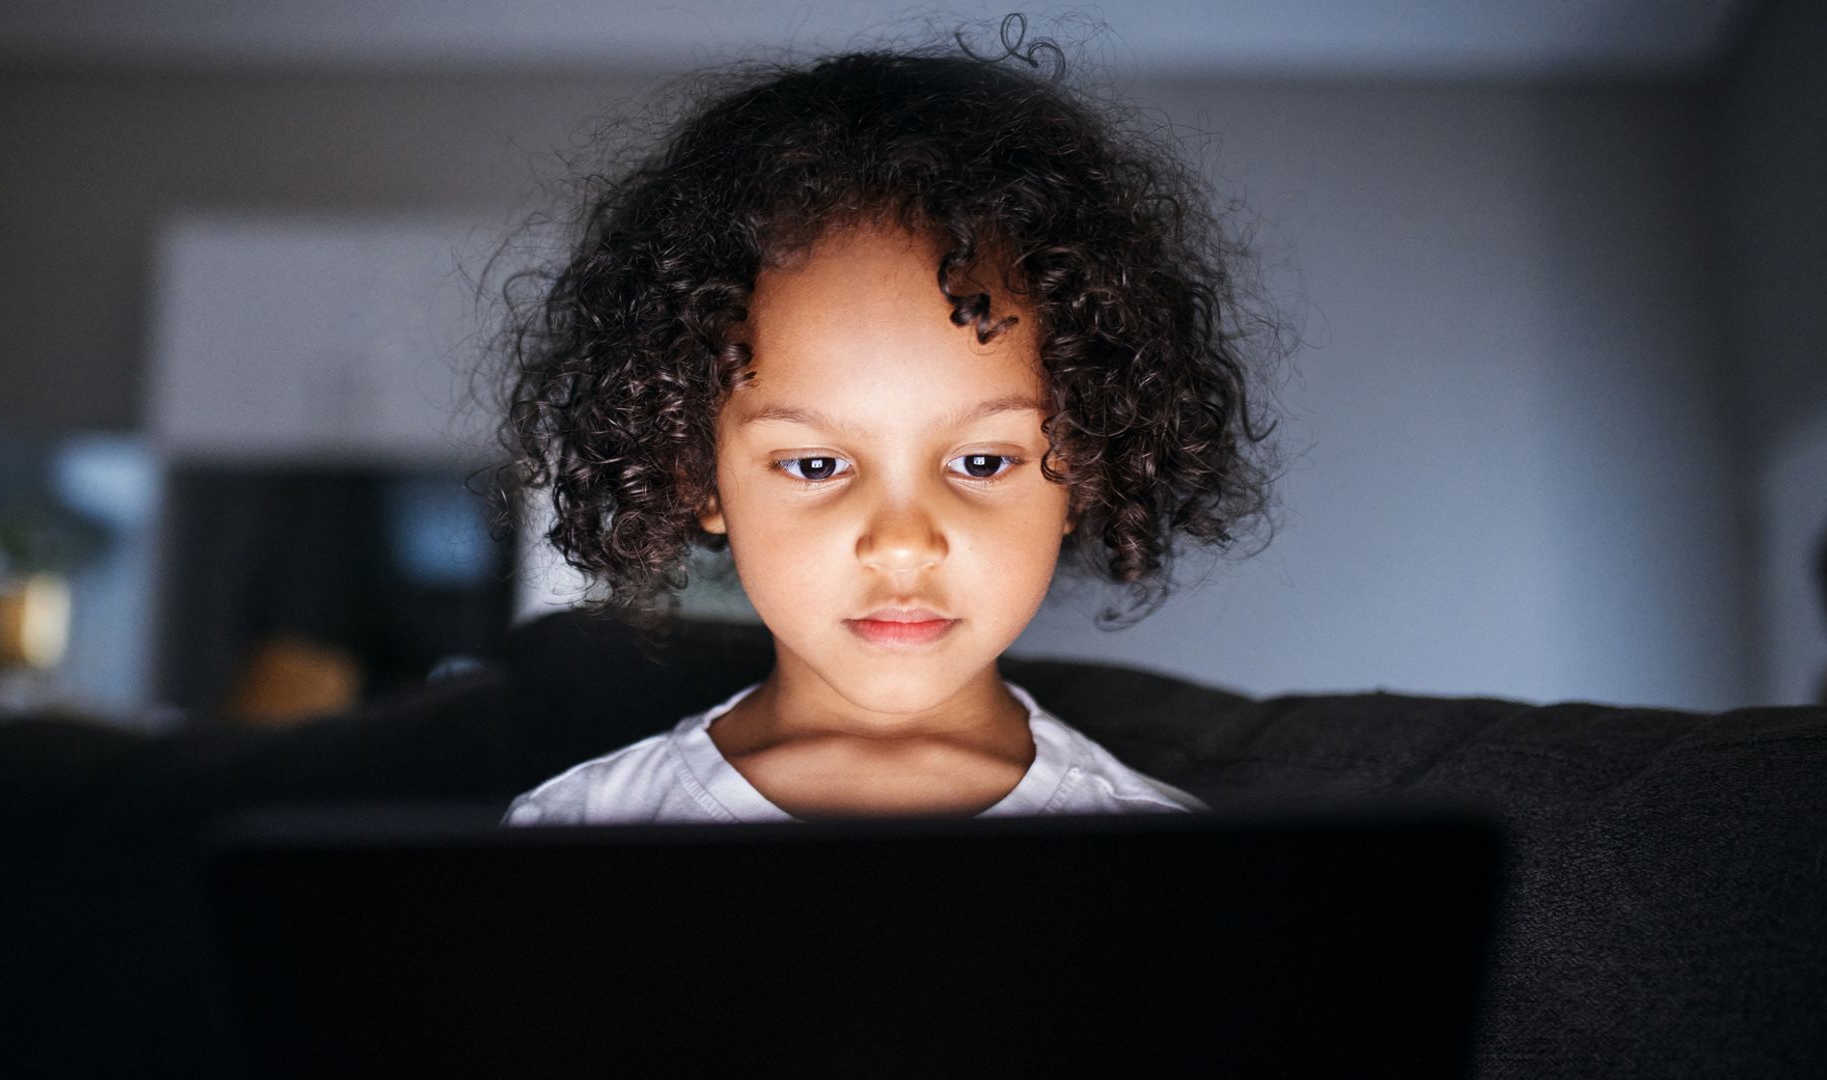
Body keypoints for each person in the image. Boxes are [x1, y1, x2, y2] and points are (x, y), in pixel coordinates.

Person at [494, 18, 1280, 825]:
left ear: (1083, 471)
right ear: (696, 474)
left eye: (981, 462)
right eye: (815, 465)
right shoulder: (575, 825)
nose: (903, 544)